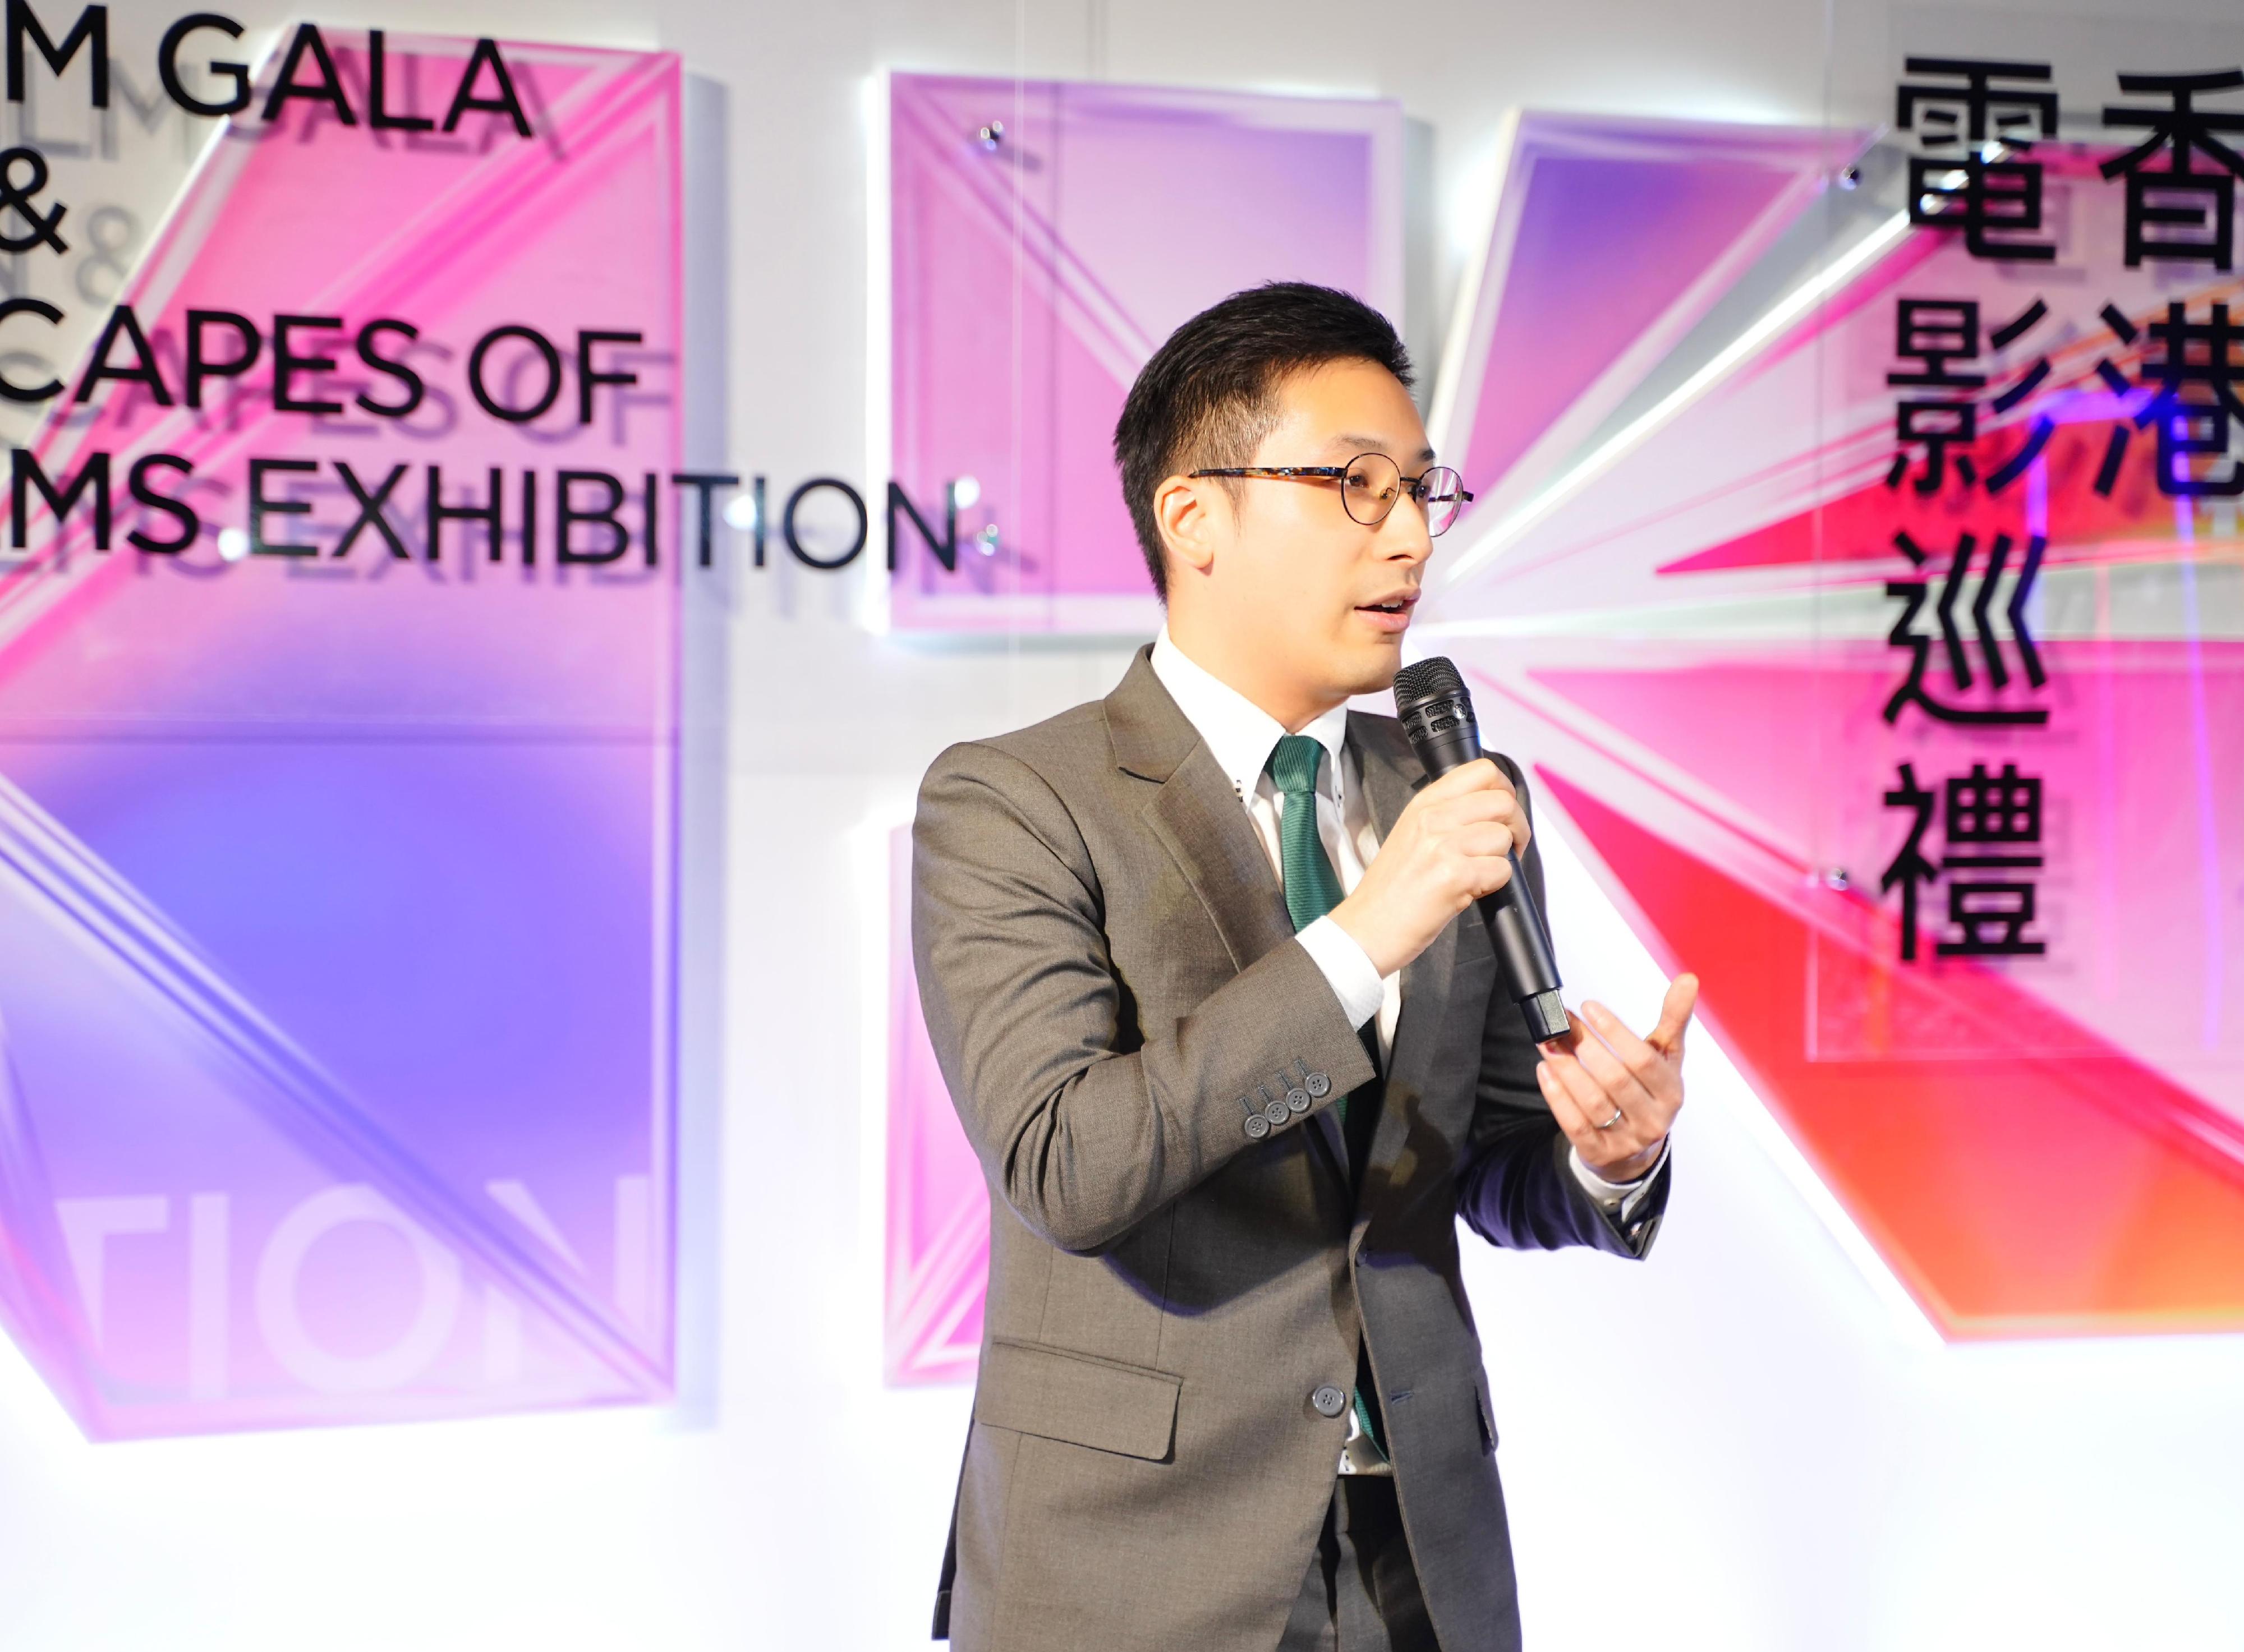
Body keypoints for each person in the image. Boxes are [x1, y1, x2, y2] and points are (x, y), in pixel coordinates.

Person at [911, 280, 1698, 1652]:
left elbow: (1483, 1169)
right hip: (1127, 1568)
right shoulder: (1016, 799)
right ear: (1192, 517)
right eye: (1351, 485)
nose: (1406, 534)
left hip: (1420, 1556)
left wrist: (1601, 1158)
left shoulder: (1454, 782)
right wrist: (1360, 937)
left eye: (1418, 491)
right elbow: (1068, 1166)